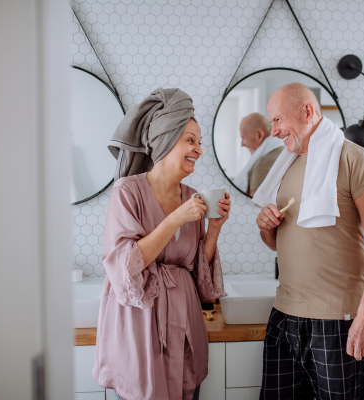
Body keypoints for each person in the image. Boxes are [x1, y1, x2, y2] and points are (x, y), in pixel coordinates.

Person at [253, 83, 364, 400]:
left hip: (337, 323)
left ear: (307, 111)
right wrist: (266, 227)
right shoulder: (284, 165)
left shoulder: (356, 160)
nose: (273, 131)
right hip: (284, 317)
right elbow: (279, 244)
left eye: (278, 120)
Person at [93, 88, 229, 400]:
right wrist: (176, 219)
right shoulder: (127, 192)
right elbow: (125, 264)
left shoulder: (191, 197)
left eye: (199, 142)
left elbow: (200, 279)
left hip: (184, 325)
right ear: (166, 140)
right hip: (140, 326)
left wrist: (214, 230)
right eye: (190, 140)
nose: (199, 150)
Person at [232, 112, 284, 195]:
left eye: (243, 137)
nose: (242, 144)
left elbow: (255, 206)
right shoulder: (283, 151)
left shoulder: (262, 164)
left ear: (259, 135)